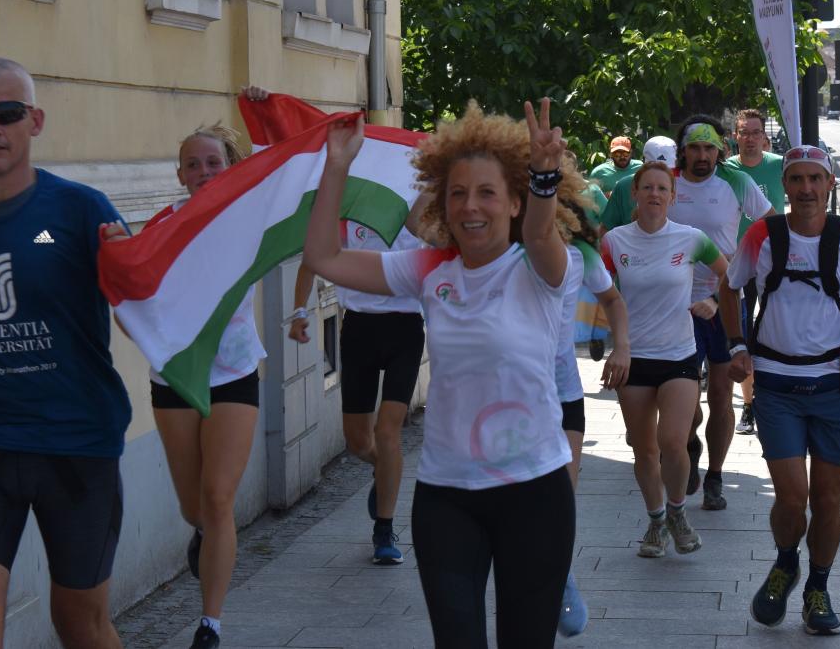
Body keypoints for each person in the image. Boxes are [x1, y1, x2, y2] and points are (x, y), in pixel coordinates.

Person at [303, 98, 592, 648]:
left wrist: (545, 178)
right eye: (457, 193)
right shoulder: (431, 269)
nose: (470, 206)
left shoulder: (542, 267)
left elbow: (537, 233)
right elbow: (323, 257)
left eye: (487, 193)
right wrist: (337, 166)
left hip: (535, 495)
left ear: (514, 201)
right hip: (446, 498)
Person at [0, 58, 130, 648]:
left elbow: (142, 299)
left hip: (77, 444)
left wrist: (135, 266)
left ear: (33, 121)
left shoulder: (79, 211)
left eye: (7, 113)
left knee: (81, 624)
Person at [721, 145, 840, 636]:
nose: (804, 190)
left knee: (827, 500)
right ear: (786, 186)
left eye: (814, 180)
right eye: (795, 180)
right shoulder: (762, 235)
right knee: (792, 497)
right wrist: (737, 344)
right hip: (775, 383)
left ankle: (817, 587)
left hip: (834, 385)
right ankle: (784, 563)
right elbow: (729, 286)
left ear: (829, 186)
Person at [128, 108, 266, 649]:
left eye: (213, 161)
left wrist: (260, 110)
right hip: (176, 378)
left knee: (216, 497)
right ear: (181, 174)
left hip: (233, 373)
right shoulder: (164, 224)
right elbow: (133, 279)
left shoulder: (252, 219)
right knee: (194, 508)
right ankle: (205, 536)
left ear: (230, 166)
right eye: (193, 164)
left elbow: (293, 181)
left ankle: (210, 623)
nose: (204, 171)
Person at [601, 162, 728, 559]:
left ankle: (677, 512)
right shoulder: (615, 242)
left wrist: (712, 299)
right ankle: (656, 520)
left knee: (673, 441)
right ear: (634, 195)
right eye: (647, 187)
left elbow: (731, 272)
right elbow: (599, 291)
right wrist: (611, 343)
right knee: (644, 449)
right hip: (634, 358)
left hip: (679, 354)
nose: (654, 194)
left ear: (673, 198)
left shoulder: (691, 239)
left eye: (662, 189)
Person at [290, 231, 424, 567]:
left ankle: (384, 530)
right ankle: (384, 469)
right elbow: (313, 254)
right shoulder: (350, 206)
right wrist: (298, 311)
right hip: (359, 329)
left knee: (388, 431)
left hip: (405, 328)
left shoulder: (416, 202)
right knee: (358, 441)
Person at [669, 117, 772, 511]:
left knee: (720, 395)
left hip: (724, 303)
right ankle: (690, 444)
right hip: (674, 308)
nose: (701, 156)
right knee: (685, 401)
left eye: (708, 148)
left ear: (719, 150)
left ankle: (714, 475)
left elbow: (769, 226)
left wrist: (745, 265)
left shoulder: (735, 182)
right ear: (683, 151)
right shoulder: (668, 182)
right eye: (694, 148)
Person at [553, 204, 629, 636]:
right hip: (505, 403)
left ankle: (561, 579)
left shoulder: (580, 253)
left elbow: (613, 299)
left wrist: (622, 346)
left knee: (560, 496)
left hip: (563, 394)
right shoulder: (496, 250)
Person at [723, 109, 785, 436]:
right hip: (735, 262)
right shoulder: (726, 171)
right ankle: (748, 406)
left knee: (773, 332)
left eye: (755, 132)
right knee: (743, 336)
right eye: (744, 132)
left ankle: (770, 401)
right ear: (736, 136)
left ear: (764, 136)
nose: (750, 138)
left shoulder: (778, 165)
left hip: (771, 260)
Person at [598, 135, 676, 234]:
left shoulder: (683, 185)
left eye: (667, 170)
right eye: (653, 171)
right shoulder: (624, 186)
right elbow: (605, 229)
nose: (655, 193)